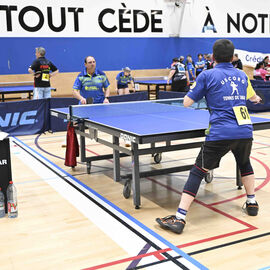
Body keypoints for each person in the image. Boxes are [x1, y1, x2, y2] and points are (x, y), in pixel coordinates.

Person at [156, 39, 262, 234]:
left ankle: (179, 218)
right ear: (232, 58)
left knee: (198, 171)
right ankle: (252, 202)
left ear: (212, 57)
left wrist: (201, 92)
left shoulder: (207, 75)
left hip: (221, 131)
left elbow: (187, 102)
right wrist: (252, 98)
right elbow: (252, 97)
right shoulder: (241, 74)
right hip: (245, 129)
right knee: (245, 163)